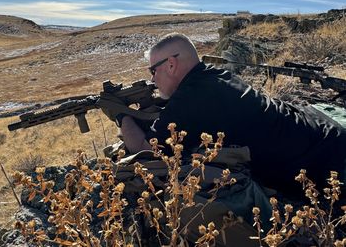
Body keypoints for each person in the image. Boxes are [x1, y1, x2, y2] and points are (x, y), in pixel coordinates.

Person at [111, 33, 346, 196]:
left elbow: (147, 151)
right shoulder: (212, 76)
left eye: (154, 70)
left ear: (171, 65)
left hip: (329, 161)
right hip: (323, 131)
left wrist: (120, 115)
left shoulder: (191, 97)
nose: (152, 79)